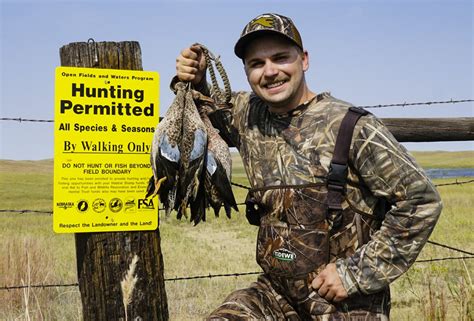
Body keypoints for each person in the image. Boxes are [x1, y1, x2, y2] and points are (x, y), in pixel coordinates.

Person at [175, 13, 442, 321]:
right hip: (273, 295)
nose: (270, 71)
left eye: (280, 58)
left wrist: (355, 274)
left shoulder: (351, 125)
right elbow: (207, 109)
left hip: (344, 305)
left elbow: (421, 201)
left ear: (304, 60)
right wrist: (195, 77)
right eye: (257, 64)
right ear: (247, 72)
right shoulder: (247, 116)